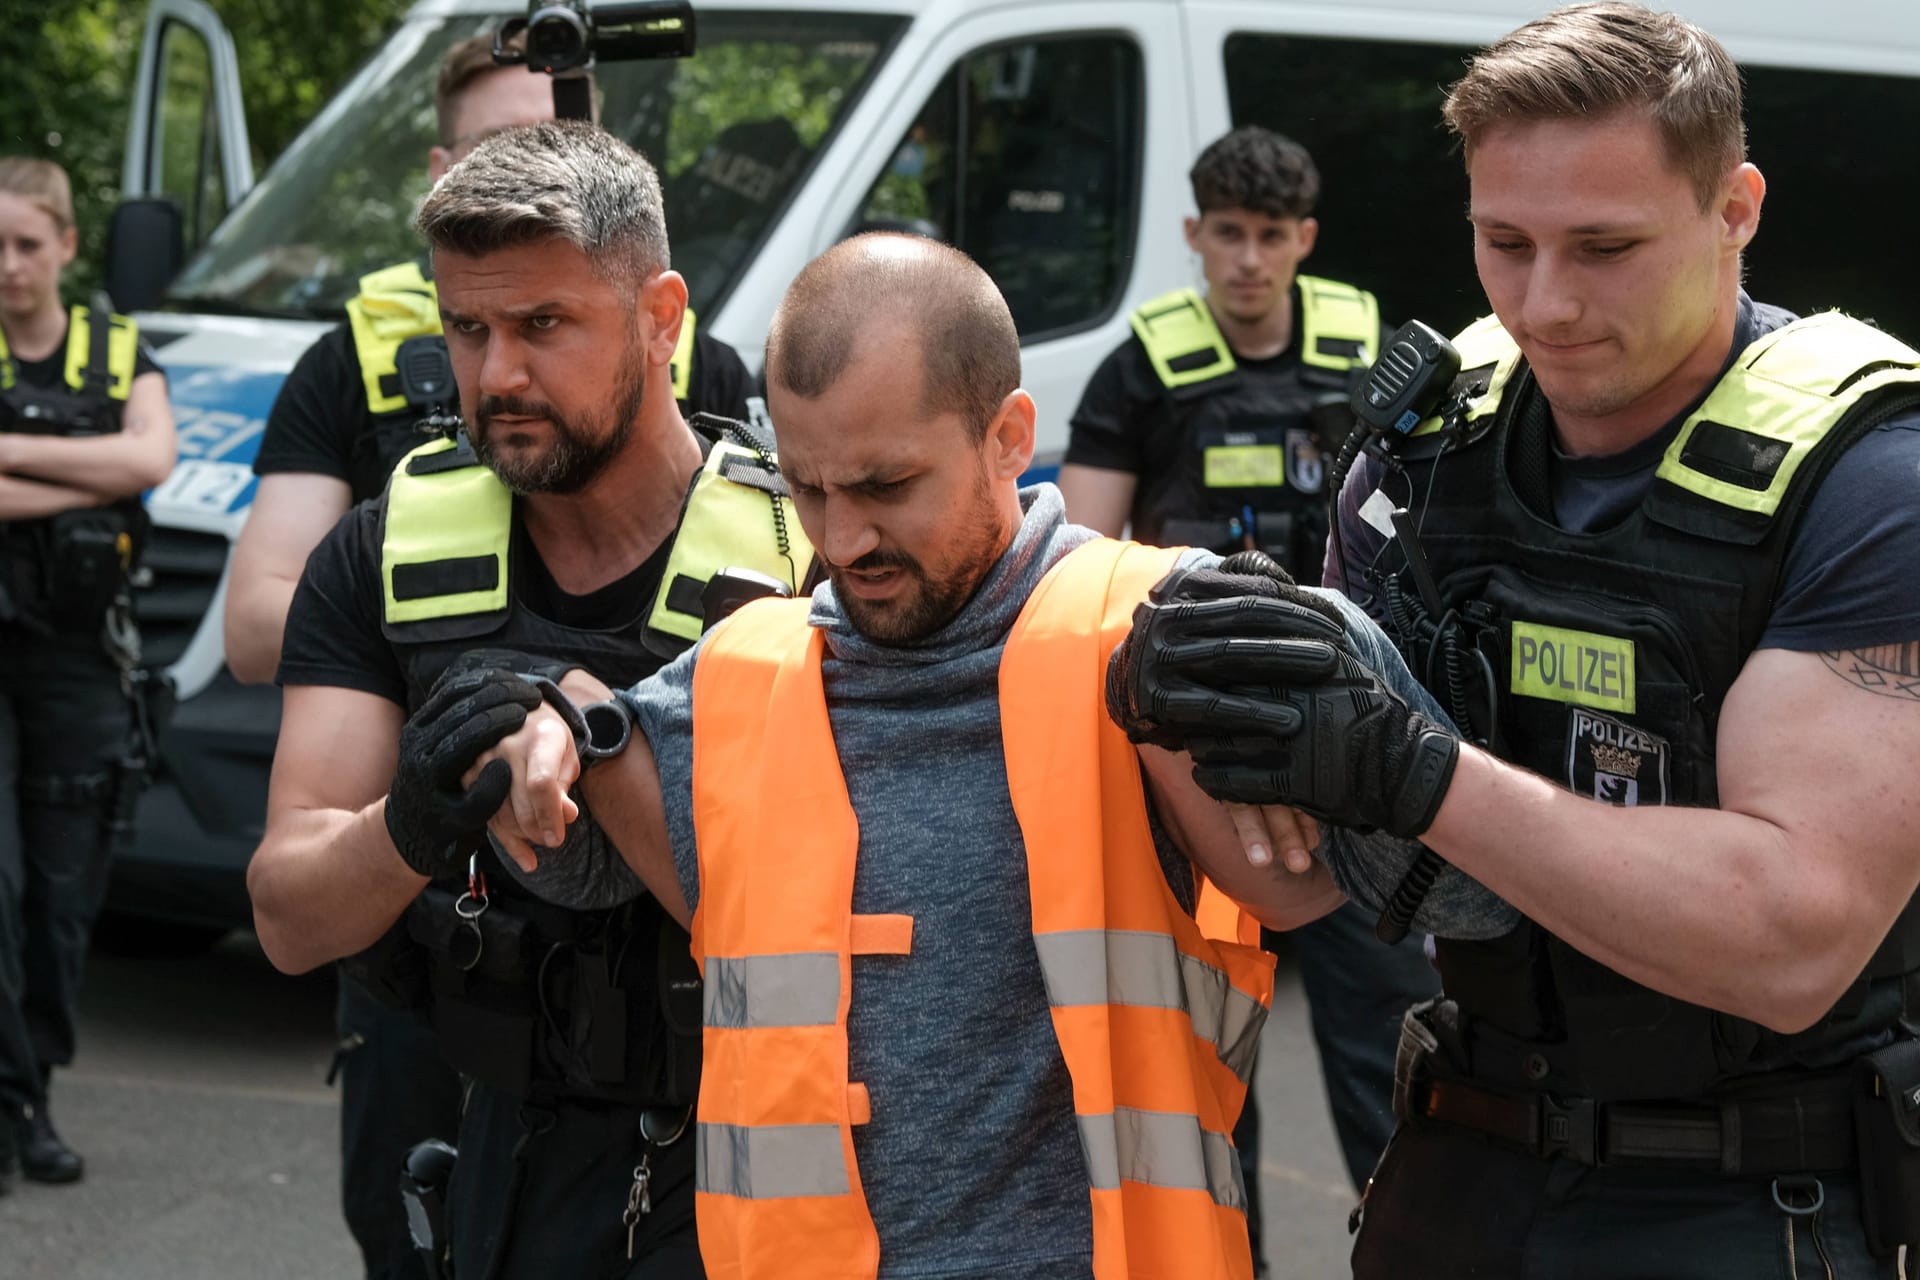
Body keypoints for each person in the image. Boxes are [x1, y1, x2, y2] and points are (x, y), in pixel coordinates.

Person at [451, 231, 1447, 1279]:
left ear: (1009, 434)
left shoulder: (1155, 628)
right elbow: (583, 811)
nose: (841, 542)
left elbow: (1322, 882)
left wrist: (1343, 671)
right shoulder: (741, 671)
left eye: (886, 485)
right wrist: (550, 717)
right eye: (809, 487)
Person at [1113, 5, 1920, 1275]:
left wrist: (1420, 774)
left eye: (1605, 247)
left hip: (1761, 1192)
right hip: (1461, 1159)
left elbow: (1791, 939)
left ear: (1736, 208)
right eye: (1505, 242)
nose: (1546, 304)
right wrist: (1155, 688)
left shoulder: (1873, 481)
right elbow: (1303, 879)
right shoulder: (1427, 451)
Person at [221, 37, 756, 1280]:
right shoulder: (384, 556)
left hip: (738, 1163)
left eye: (543, 324)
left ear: (662, 317)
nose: (497, 375)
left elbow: (857, 940)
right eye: (466, 329)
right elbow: (289, 915)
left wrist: (612, 749)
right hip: (485, 1149)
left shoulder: (793, 563)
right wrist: (408, 822)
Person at [1059, 126, 1439, 1230]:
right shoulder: (1146, 363)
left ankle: (1404, 1247)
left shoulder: (1373, 346)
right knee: (1210, 1060)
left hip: (1357, 752)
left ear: (1304, 239)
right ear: (1195, 234)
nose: (1248, 258)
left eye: (1271, 235)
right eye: (1227, 233)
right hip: (1204, 757)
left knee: (1392, 1052)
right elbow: (1082, 553)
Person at [0, 156, 177, 1190]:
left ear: (66, 245)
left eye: (28, 243)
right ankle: (13, 1103)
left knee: (60, 900)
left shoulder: (118, 351)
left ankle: (36, 1088)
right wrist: (82, 472)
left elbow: (149, 463)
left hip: (78, 660)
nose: (10, 265)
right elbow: (117, 466)